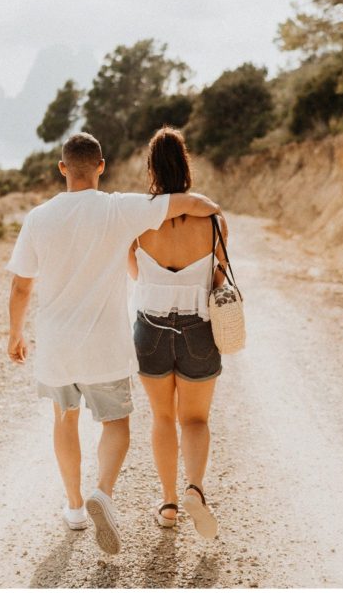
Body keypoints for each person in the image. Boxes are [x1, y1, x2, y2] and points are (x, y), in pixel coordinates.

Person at [6, 132, 221, 556]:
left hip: (57, 344)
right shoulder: (120, 208)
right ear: (101, 166)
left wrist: (15, 333)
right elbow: (185, 204)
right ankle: (104, 490)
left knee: (65, 419)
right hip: (107, 345)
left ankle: (74, 508)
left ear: (63, 168)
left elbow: (20, 287)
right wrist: (212, 208)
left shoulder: (38, 217)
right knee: (119, 425)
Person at [127, 127, 227, 539]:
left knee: (163, 417)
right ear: (186, 164)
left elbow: (134, 273)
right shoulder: (213, 218)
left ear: (151, 167)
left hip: (149, 326)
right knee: (196, 419)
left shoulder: (137, 218)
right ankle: (195, 490)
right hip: (198, 327)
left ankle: (168, 504)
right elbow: (221, 277)